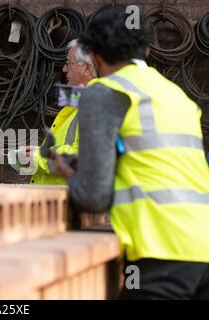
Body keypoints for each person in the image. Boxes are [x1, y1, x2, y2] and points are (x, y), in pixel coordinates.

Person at [50, 7, 209, 299]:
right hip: (202, 248)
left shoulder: (104, 92)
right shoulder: (175, 95)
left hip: (161, 250)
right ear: (145, 48)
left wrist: (70, 175)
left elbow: (93, 197)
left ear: (94, 55)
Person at [10, 40, 95, 185]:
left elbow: (85, 157)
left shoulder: (94, 103)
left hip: (69, 201)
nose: (64, 69)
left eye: (69, 63)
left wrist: (38, 157)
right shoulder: (79, 103)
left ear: (87, 68)